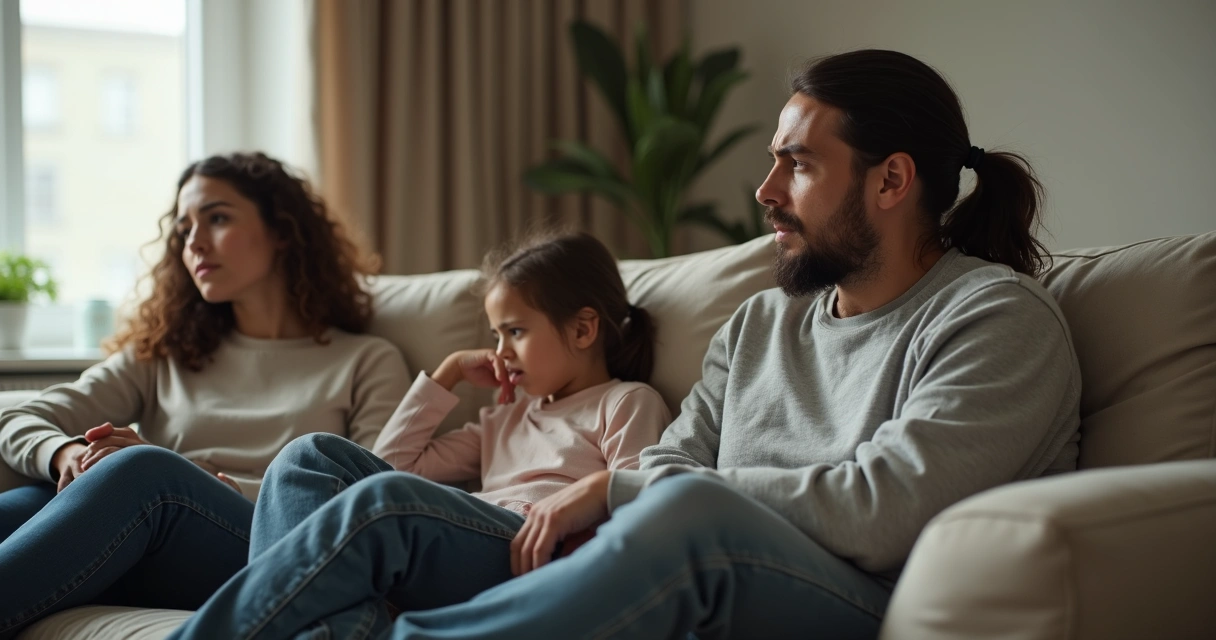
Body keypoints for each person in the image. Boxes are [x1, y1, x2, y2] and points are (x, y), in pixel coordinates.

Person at [170, 49, 1082, 640]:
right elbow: (679, 459)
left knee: (685, 512)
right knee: (321, 464)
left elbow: (880, 509)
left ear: (892, 181)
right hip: (688, 552)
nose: (765, 190)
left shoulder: (993, 319)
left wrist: (623, 484)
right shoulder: (763, 323)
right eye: (773, 158)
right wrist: (631, 491)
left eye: (798, 164)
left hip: (849, 598)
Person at [0, 152, 409, 639]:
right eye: (183, 228)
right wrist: (64, 453)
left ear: (282, 231)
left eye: (216, 218)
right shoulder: (165, 354)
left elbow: (375, 493)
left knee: (144, 471)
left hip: (263, 541)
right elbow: (20, 416)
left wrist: (192, 480)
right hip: (137, 535)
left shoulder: (367, 360)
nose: (193, 241)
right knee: (37, 499)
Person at [247, 230, 672, 557]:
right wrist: (447, 375)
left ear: (583, 329)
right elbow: (392, 467)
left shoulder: (626, 402)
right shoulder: (504, 418)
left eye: (516, 332)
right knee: (310, 457)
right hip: (470, 532)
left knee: (370, 496)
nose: (502, 352)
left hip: (525, 544)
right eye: (496, 335)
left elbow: (637, 503)